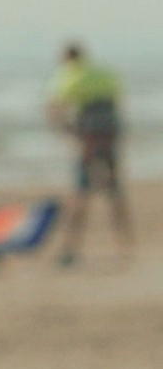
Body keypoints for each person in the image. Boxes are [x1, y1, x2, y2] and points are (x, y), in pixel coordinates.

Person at [45, 41, 134, 268]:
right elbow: (118, 101)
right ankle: (124, 246)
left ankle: (70, 248)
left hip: (89, 141)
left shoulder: (70, 76)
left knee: (80, 192)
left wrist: (67, 132)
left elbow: (54, 108)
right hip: (109, 138)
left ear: (68, 58)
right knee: (114, 192)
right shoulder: (102, 73)